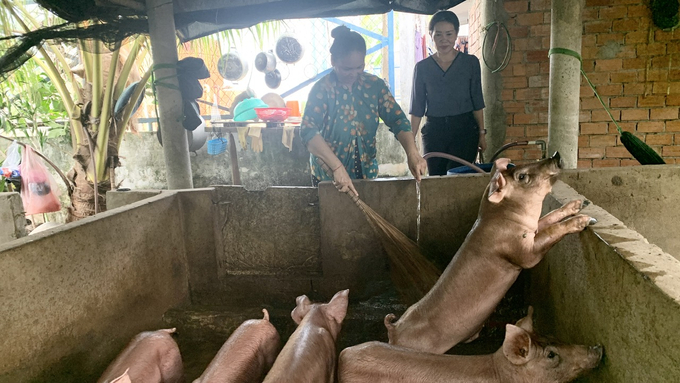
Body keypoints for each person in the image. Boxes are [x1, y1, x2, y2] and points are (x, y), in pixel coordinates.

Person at [300, 25, 427, 197]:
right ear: (333, 61)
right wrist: (337, 168)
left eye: (359, 67)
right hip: (328, 177)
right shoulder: (322, 89)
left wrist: (413, 153)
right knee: (333, 221)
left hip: (366, 173)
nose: (354, 73)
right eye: (347, 69)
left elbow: (398, 120)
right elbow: (308, 131)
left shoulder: (374, 86)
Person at [410, 10, 486, 176]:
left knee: (459, 178)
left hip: (465, 131)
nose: (444, 39)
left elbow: (477, 101)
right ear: (431, 35)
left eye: (449, 34)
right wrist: (411, 145)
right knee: (436, 179)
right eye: (438, 35)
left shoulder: (470, 63)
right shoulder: (422, 68)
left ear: (456, 34)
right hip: (434, 132)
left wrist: (482, 133)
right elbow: (417, 108)